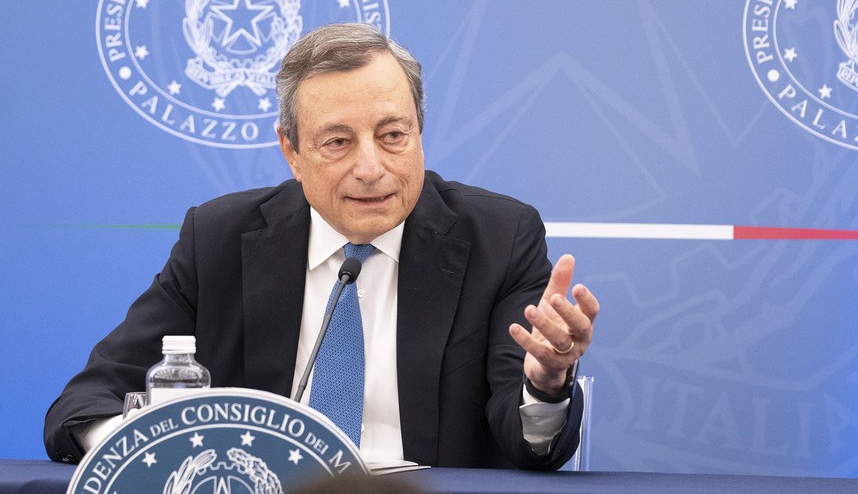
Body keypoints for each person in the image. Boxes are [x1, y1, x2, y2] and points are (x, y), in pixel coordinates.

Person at [44, 23, 599, 470]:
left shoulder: (499, 238)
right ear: (291, 151)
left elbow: (530, 444)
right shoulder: (219, 239)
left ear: (419, 132)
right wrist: (157, 445)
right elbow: (82, 406)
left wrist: (545, 384)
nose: (371, 167)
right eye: (338, 141)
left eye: (393, 135)